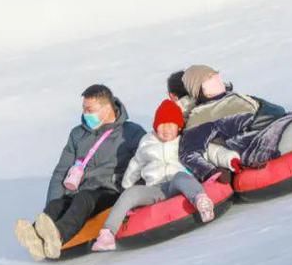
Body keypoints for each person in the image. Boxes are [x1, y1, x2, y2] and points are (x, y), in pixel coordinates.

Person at [15, 84, 145, 261]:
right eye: (84, 109)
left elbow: (145, 160)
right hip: (78, 190)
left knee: (83, 199)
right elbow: (61, 171)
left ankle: (58, 236)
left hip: (110, 191)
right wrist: (54, 204)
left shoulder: (130, 132)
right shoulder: (78, 135)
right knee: (58, 204)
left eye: (89, 109)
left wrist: (137, 193)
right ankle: (37, 236)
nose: (85, 114)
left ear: (107, 108)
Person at [90, 99, 236, 251]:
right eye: (162, 125)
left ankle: (201, 201)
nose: (166, 129)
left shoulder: (186, 140)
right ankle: (108, 234)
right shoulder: (147, 142)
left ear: (179, 127)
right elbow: (135, 164)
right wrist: (127, 185)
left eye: (170, 125)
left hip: (178, 183)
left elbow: (211, 151)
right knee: (131, 193)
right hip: (156, 188)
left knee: (181, 176)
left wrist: (230, 159)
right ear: (155, 126)